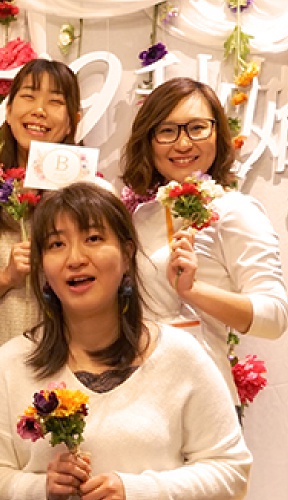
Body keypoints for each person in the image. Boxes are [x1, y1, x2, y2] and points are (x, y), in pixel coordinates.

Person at [0, 183, 251, 500]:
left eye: (93, 238)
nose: (75, 258)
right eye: (56, 244)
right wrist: (42, 491)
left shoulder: (180, 356)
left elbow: (229, 474)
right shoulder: (16, 361)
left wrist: (136, 494)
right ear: (43, 268)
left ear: (126, 255)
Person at [119, 76, 288, 400]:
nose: (183, 144)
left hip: (204, 396)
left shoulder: (235, 210)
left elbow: (275, 317)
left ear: (217, 133)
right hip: (138, 396)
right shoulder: (140, 215)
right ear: (149, 140)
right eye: (167, 130)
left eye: (197, 128)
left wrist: (194, 291)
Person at [0, 58, 83, 399]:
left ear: (73, 120)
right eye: (29, 96)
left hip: (68, 365)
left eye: (55, 101)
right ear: (8, 111)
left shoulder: (87, 195)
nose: (39, 110)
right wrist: (6, 277)